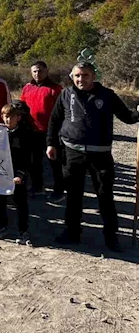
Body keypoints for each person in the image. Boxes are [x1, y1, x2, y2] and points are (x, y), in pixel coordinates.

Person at [47, 61, 139, 252]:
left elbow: (127, 117)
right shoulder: (66, 94)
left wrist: (138, 112)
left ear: (94, 76)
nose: (81, 79)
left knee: (105, 195)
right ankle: (72, 232)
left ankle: (111, 236)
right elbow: (54, 120)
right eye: (77, 75)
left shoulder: (107, 95)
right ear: (72, 76)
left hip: (100, 154)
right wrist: (51, 143)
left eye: (85, 75)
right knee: (73, 196)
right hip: (72, 152)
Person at [21, 61, 64, 200]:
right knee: (34, 162)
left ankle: (59, 190)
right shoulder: (27, 87)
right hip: (32, 130)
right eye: (34, 71)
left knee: (55, 163)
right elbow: (22, 106)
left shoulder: (55, 89)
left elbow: (63, 111)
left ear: (46, 71)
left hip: (51, 132)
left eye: (40, 71)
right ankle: (37, 187)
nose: (37, 74)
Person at [0, 104, 32, 245]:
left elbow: (27, 157)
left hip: (18, 173)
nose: (8, 120)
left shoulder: (25, 133)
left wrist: (20, 174)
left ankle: (23, 232)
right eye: (5, 116)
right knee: (0, 202)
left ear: (18, 118)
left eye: (12, 117)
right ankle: (1, 227)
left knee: (20, 203)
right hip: (2, 173)